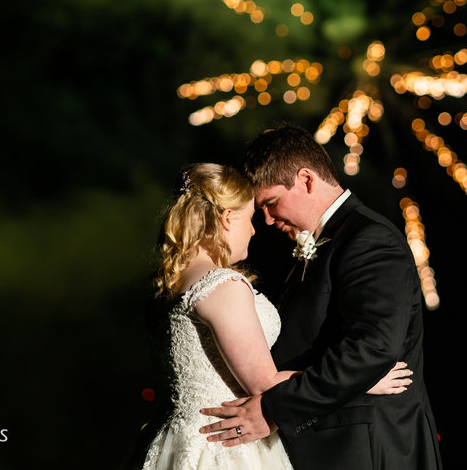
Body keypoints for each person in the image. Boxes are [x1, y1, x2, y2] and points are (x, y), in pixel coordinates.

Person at [199, 126, 443, 469]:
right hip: (329, 444)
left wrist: (273, 408)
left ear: (306, 179)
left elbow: (372, 348)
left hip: (366, 448)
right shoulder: (318, 244)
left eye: (271, 203)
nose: (266, 220)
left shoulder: (370, 241)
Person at [141, 163, 412, 469]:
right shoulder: (222, 285)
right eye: (251, 218)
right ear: (228, 218)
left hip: (182, 437)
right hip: (225, 446)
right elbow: (265, 384)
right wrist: (360, 381)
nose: (256, 229)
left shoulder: (171, 283)